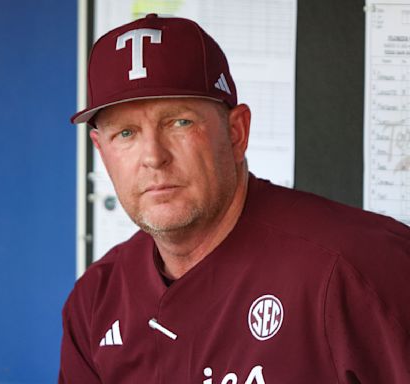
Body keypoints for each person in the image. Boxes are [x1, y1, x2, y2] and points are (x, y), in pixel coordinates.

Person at [59, 14, 410, 384]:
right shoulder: (95, 300)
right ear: (101, 150)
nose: (153, 157)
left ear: (236, 132)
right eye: (126, 133)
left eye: (180, 122)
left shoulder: (361, 268)